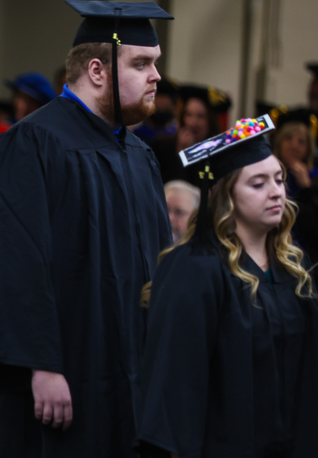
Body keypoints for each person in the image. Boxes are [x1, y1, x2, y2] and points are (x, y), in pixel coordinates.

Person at [0, 2, 173, 457]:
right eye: (142, 63)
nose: (157, 77)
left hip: (126, 376)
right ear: (97, 69)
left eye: (156, 64)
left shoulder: (137, 154)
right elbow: (13, 261)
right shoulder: (32, 142)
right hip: (56, 381)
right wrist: (40, 366)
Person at [136, 116, 318, 457]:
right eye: (258, 183)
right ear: (227, 194)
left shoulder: (294, 269)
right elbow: (176, 379)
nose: (276, 191)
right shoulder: (194, 268)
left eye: (279, 179)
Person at [149, 84, 230, 184]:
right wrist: (180, 156)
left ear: (211, 121)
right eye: (188, 115)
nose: (193, 123)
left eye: (200, 116)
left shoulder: (220, 154)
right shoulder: (163, 148)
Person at [270, 112, 318, 266]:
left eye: (301, 141)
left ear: (309, 147)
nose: (294, 145)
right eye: (288, 138)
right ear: (279, 142)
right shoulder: (266, 174)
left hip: (304, 256)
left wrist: (306, 189)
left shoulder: (314, 178)